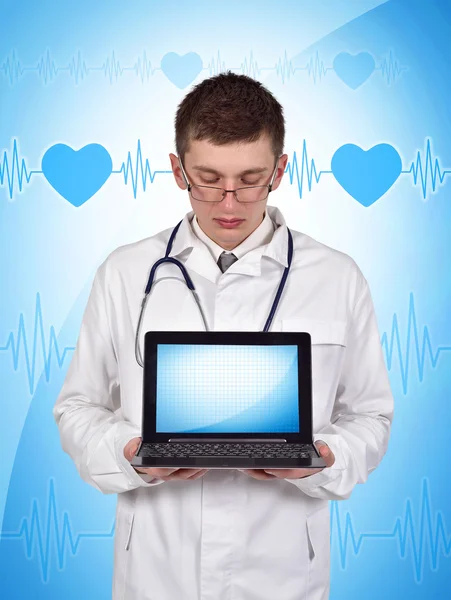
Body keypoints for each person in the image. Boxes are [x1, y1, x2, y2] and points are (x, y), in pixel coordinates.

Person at [53, 71, 394, 600]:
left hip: (282, 571)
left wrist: (325, 458)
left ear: (281, 170)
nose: (229, 203)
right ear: (177, 170)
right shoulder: (125, 273)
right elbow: (78, 407)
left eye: (250, 179)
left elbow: (371, 416)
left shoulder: (337, 276)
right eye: (208, 179)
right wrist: (131, 453)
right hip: (157, 569)